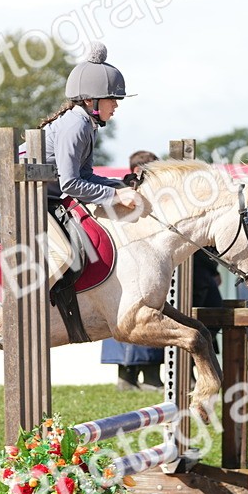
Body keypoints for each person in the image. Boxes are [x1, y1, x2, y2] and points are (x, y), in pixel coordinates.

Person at [40, 42, 144, 214]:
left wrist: (120, 184)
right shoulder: (76, 126)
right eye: (111, 99)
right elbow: (70, 184)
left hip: (43, 195)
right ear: (90, 100)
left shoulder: (89, 125)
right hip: (21, 193)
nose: (116, 105)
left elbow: (86, 177)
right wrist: (116, 195)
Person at [100, 150, 164, 390]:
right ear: (140, 172)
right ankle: (136, 376)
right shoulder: (127, 195)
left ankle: (134, 375)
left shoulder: (120, 192)